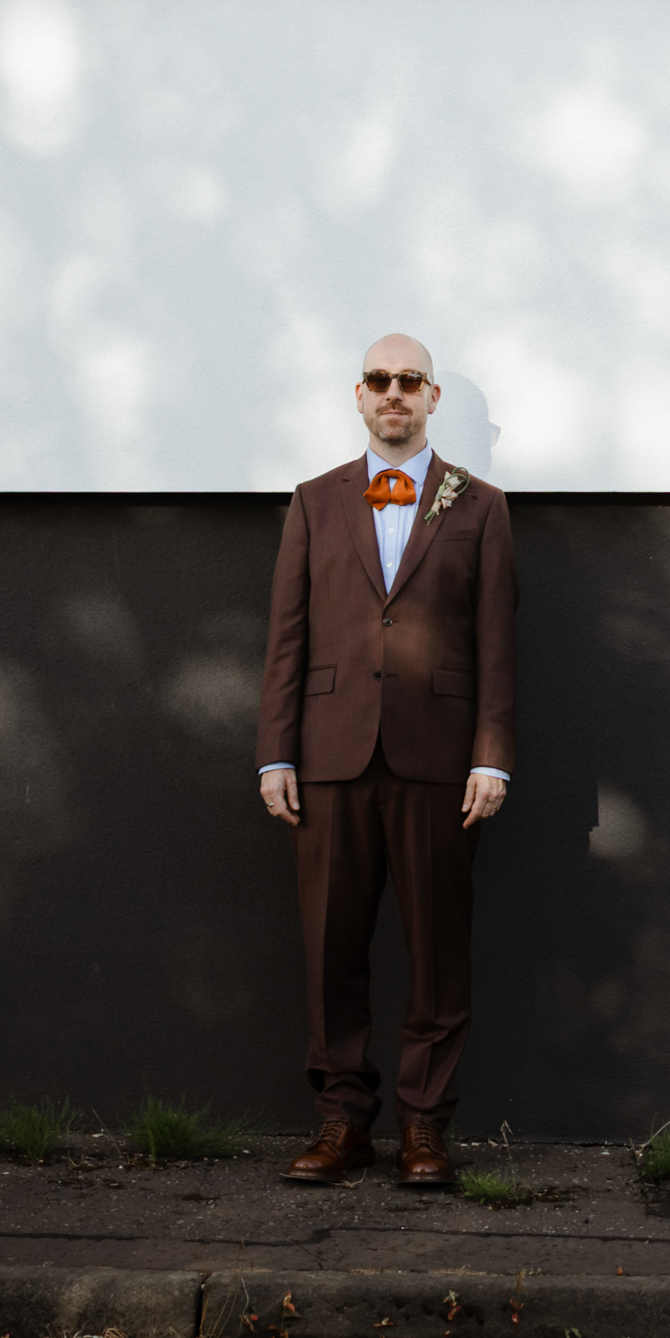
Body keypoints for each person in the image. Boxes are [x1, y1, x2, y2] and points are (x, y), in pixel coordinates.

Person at [254, 334, 517, 1189]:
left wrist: (493, 756)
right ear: (357, 395)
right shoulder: (313, 502)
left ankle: (425, 1127)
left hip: (441, 764)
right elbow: (285, 642)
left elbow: (495, 647)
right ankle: (341, 1121)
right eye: (379, 380)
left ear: (433, 398)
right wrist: (275, 753)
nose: (393, 393)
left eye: (410, 381)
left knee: (438, 947)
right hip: (329, 757)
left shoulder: (479, 505)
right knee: (332, 944)